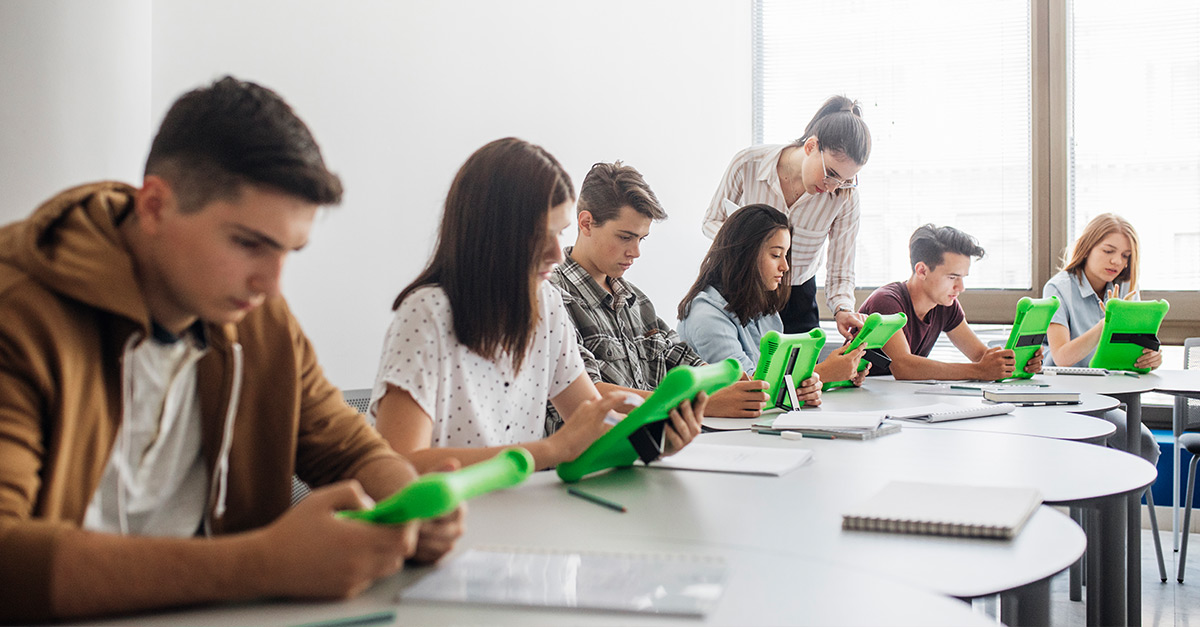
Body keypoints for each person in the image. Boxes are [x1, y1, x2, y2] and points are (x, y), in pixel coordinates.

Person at [0, 77, 462, 623]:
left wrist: (408, 504)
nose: (272, 284)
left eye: (290, 251)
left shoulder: (257, 317)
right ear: (153, 206)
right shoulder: (19, 315)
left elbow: (347, 448)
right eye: (248, 243)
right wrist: (262, 564)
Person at [369, 141, 705, 474]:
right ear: (494, 233)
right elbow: (399, 465)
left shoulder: (546, 303)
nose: (558, 253)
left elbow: (594, 420)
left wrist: (657, 441)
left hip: (526, 513)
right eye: (540, 235)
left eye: (560, 233)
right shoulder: (426, 313)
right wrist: (549, 451)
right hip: (449, 521)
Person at [549, 163, 822, 423]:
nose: (636, 252)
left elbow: (681, 357)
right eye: (625, 237)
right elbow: (586, 392)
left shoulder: (638, 302)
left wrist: (735, 385)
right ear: (586, 224)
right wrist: (697, 404)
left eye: (641, 239)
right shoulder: (553, 298)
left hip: (650, 449)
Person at [703, 95, 871, 340]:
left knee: (803, 377)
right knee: (748, 375)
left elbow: (841, 269)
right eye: (831, 174)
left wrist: (843, 309)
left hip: (797, 298)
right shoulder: (748, 164)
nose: (833, 187)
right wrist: (750, 247)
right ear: (811, 147)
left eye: (846, 180)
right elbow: (711, 220)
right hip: (743, 287)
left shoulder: (844, 197)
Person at [677, 203, 867, 389]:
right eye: (776, 255)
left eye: (786, 255)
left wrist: (841, 375)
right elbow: (750, 389)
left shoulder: (762, 307)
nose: (785, 267)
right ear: (745, 255)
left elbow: (780, 376)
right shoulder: (706, 316)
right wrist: (824, 373)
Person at [1043, 213, 1161, 459]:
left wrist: (1149, 357)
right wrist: (1105, 324)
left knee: (1145, 446)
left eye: (1126, 256)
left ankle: (1123, 499)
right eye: (1109, 251)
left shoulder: (1125, 289)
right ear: (1087, 248)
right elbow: (1063, 357)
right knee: (1095, 448)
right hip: (1067, 398)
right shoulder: (1058, 288)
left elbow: (1132, 353)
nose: (1117, 261)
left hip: (1107, 396)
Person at [859, 224, 1042, 381]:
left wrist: (1012, 363)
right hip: (857, 401)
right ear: (922, 271)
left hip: (898, 399)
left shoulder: (945, 305)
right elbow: (903, 366)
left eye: (963, 277)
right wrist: (979, 371)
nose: (961, 287)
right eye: (953, 277)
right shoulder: (887, 302)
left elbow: (980, 355)